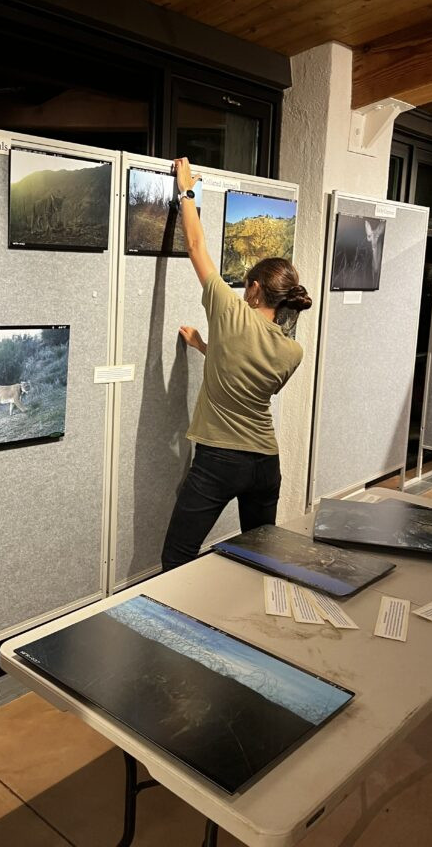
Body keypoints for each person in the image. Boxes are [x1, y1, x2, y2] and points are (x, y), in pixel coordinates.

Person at [161, 158, 312, 571]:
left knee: (177, 555)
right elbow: (247, 375)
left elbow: (195, 247)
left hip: (219, 461)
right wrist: (205, 347)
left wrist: (186, 189)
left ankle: (176, 633)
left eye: (246, 285)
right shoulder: (291, 351)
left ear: (255, 288)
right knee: (258, 558)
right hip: (266, 463)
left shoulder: (230, 310)